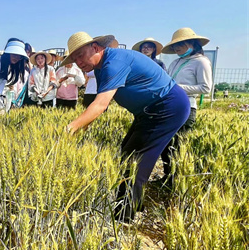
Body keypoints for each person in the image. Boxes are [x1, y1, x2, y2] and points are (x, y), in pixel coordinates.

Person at [64, 32, 190, 222]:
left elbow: (100, 104)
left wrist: (70, 128)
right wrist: (82, 128)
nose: (78, 62)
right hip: (149, 111)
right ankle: (133, 206)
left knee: (136, 162)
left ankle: (125, 218)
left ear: (96, 48)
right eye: (74, 59)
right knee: (127, 154)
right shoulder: (101, 66)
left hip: (167, 107)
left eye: (80, 55)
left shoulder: (113, 63)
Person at [159, 28, 212, 185]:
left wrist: (177, 87)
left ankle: (176, 182)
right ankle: (167, 177)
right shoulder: (175, 62)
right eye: (175, 45)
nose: (177, 48)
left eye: (181, 44)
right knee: (166, 145)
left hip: (186, 108)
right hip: (169, 107)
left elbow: (206, 88)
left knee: (177, 145)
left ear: (193, 43)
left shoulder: (201, 61)